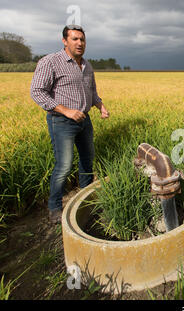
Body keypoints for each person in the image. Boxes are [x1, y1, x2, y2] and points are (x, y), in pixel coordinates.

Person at [30, 25, 110, 224]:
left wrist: (100, 105)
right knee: (64, 166)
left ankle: (86, 199)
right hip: (62, 122)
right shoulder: (51, 62)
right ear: (64, 41)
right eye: (74, 39)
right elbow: (37, 92)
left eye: (82, 39)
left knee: (87, 161)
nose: (80, 43)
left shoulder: (87, 66)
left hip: (85, 120)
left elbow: (91, 92)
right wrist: (66, 111)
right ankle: (55, 207)